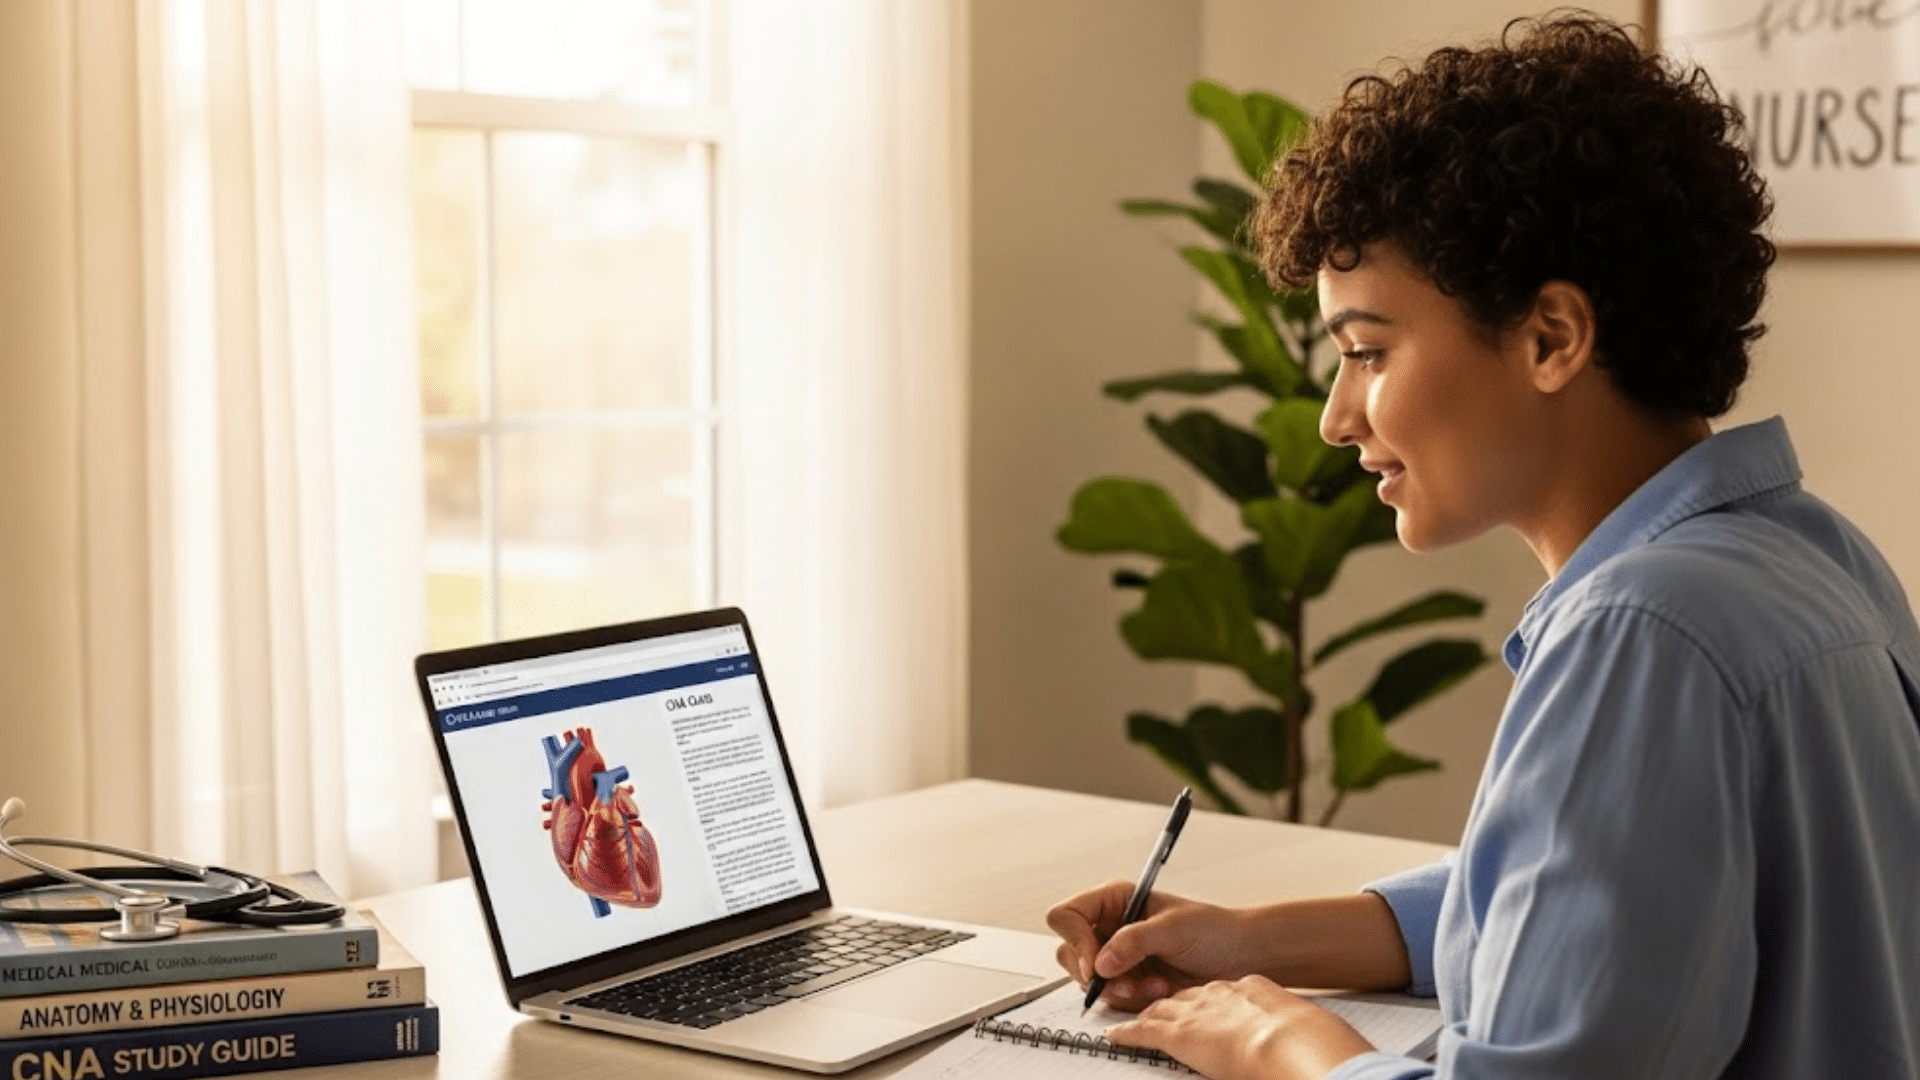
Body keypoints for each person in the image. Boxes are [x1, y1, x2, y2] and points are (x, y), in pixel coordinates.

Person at [1047, 12, 1920, 1080]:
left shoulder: (1641, 636)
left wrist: (1280, 1041)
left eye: (1366, 351)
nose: (1336, 415)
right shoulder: (1815, 554)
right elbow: (1588, 903)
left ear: (1553, 338)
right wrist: (1254, 942)